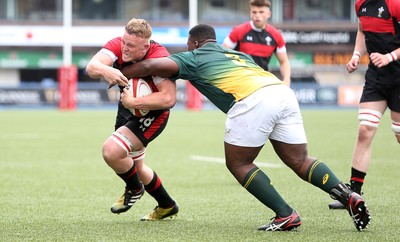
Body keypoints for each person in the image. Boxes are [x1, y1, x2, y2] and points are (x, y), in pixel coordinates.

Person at [119, 24, 371, 231]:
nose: (187, 48)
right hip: (281, 92)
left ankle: (285, 214)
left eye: (188, 44)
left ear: (194, 43)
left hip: (252, 100)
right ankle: (347, 195)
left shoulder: (194, 56)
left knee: (239, 163)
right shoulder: (239, 54)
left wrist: (118, 71)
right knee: (300, 159)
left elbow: (152, 66)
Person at [85, 18, 179, 220]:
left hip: (153, 114)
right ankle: (167, 205)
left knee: (112, 151)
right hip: (127, 110)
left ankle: (134, 189)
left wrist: (134, 102)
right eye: (124, 43)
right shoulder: (117, 45)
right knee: (136, 167)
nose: (125, 49)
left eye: (131, 46)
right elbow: (92, 67)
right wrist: (106, 69)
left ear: (146, 46)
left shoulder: (159, 57)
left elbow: (169, 98)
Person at [328, 0, 400, 209]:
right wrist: (356, 55)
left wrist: (390, 57)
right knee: (365, 130)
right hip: (376, 78)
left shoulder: (394, 4)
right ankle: (353, 195)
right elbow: (362, 31)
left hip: (398, 78)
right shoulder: (360, 4)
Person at [222, 0, 291, 86]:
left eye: (261, 12)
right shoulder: (238, 31)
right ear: (250, 14)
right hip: (240, 82)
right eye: (254, 12)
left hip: (262, 83)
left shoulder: (276, 35)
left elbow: (284, 61)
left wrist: (287, 80)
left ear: (268, 14)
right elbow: (222, 54)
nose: (257, 15)